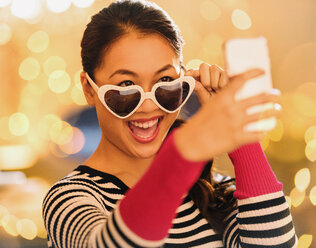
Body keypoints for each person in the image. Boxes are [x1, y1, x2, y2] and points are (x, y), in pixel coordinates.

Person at [42, 1, 297, 247]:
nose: (149, 106)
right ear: (89, 88)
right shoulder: (70, 199)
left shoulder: (212, 190)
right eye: (126, 86)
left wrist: (242, 139)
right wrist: (183, 151)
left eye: (165, 81)